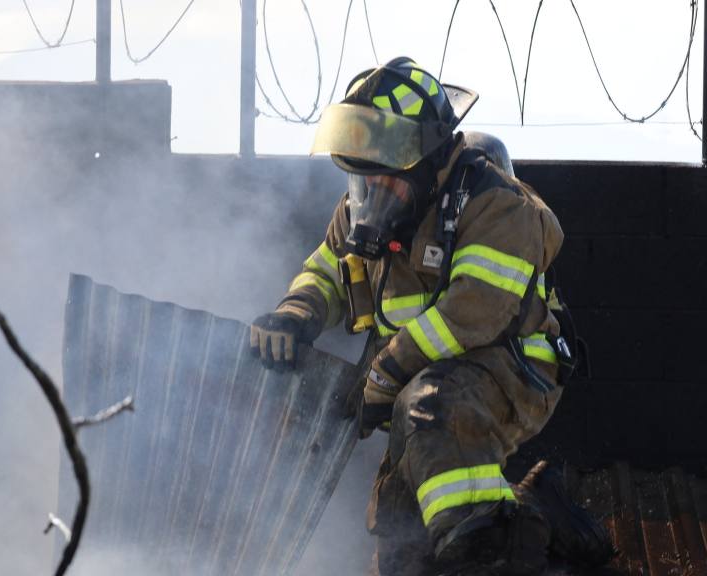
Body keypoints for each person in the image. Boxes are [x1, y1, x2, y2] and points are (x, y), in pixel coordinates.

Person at [249, 57, 613, 575]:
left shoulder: (498, 208)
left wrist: (383, 374)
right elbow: (326, 270)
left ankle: (488, 559)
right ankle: (537, 513)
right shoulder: (368, 205)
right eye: (360, 180)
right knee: (402, 539)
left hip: (511, 368)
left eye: (383, 180)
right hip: (421, 380)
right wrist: (294, 315)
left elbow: (472, 313)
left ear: (424, 162)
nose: (368, 197)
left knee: (432, 416)